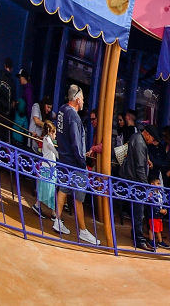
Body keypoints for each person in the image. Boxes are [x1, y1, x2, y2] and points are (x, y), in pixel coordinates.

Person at [55, 84, 100, 244]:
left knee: (63, 188)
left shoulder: (61, 110)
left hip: (64, 159)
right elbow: (75, 142)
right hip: (74, 162)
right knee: (79, 196)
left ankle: (57, 220)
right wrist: (82, 162)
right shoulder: (73, 116)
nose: (83, 102)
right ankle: (82, 230)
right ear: (77, 99)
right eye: (82, 99)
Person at [121, 124, 160, 251]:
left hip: (132, 179)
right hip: (136, 181)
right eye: (152, 138)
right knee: (139, 212)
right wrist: (146, 186)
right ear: (147, 134)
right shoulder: (140, 142)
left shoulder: (136, 137)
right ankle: (139, 240)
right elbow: (139, 168)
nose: (152, 141)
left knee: (137, 211)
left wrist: (146, 159)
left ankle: (137, 235)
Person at [36, 120, 58, 218]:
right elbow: (53, 149)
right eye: (55, 133)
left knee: (48, 189)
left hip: (49, 168)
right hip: (47, 168)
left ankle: (39, 206)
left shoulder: (47, 139)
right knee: (48, 189)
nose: (55, 136)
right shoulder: (47, 139)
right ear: (50, 132)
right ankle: (53, 213)